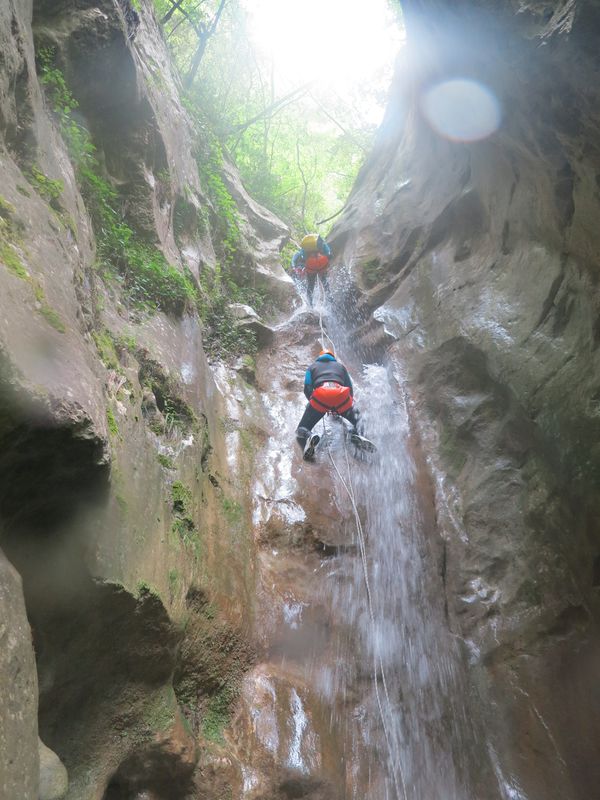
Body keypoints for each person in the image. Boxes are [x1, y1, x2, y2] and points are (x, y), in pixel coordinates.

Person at [296, 348, 367, 459]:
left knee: (302, 428)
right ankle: (358, 435)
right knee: (360, 421)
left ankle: (310, 436)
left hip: (321, 397)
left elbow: (307, 387)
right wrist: (344, 405)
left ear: (319, 357)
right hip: (342, 397)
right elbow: (349, 387)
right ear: (332, 357)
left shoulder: (312, 367)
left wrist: (313, 402)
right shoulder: (341, 367)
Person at [291, 233, 331, 307]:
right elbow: (328, 254)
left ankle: (310, 304)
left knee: (310, 286)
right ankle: (330, 301)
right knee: (325, 283)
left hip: (311, 269)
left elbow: (303, 258)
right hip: (321, 267)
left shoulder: (305, 249)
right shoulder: (323, 245)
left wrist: (301, 267)